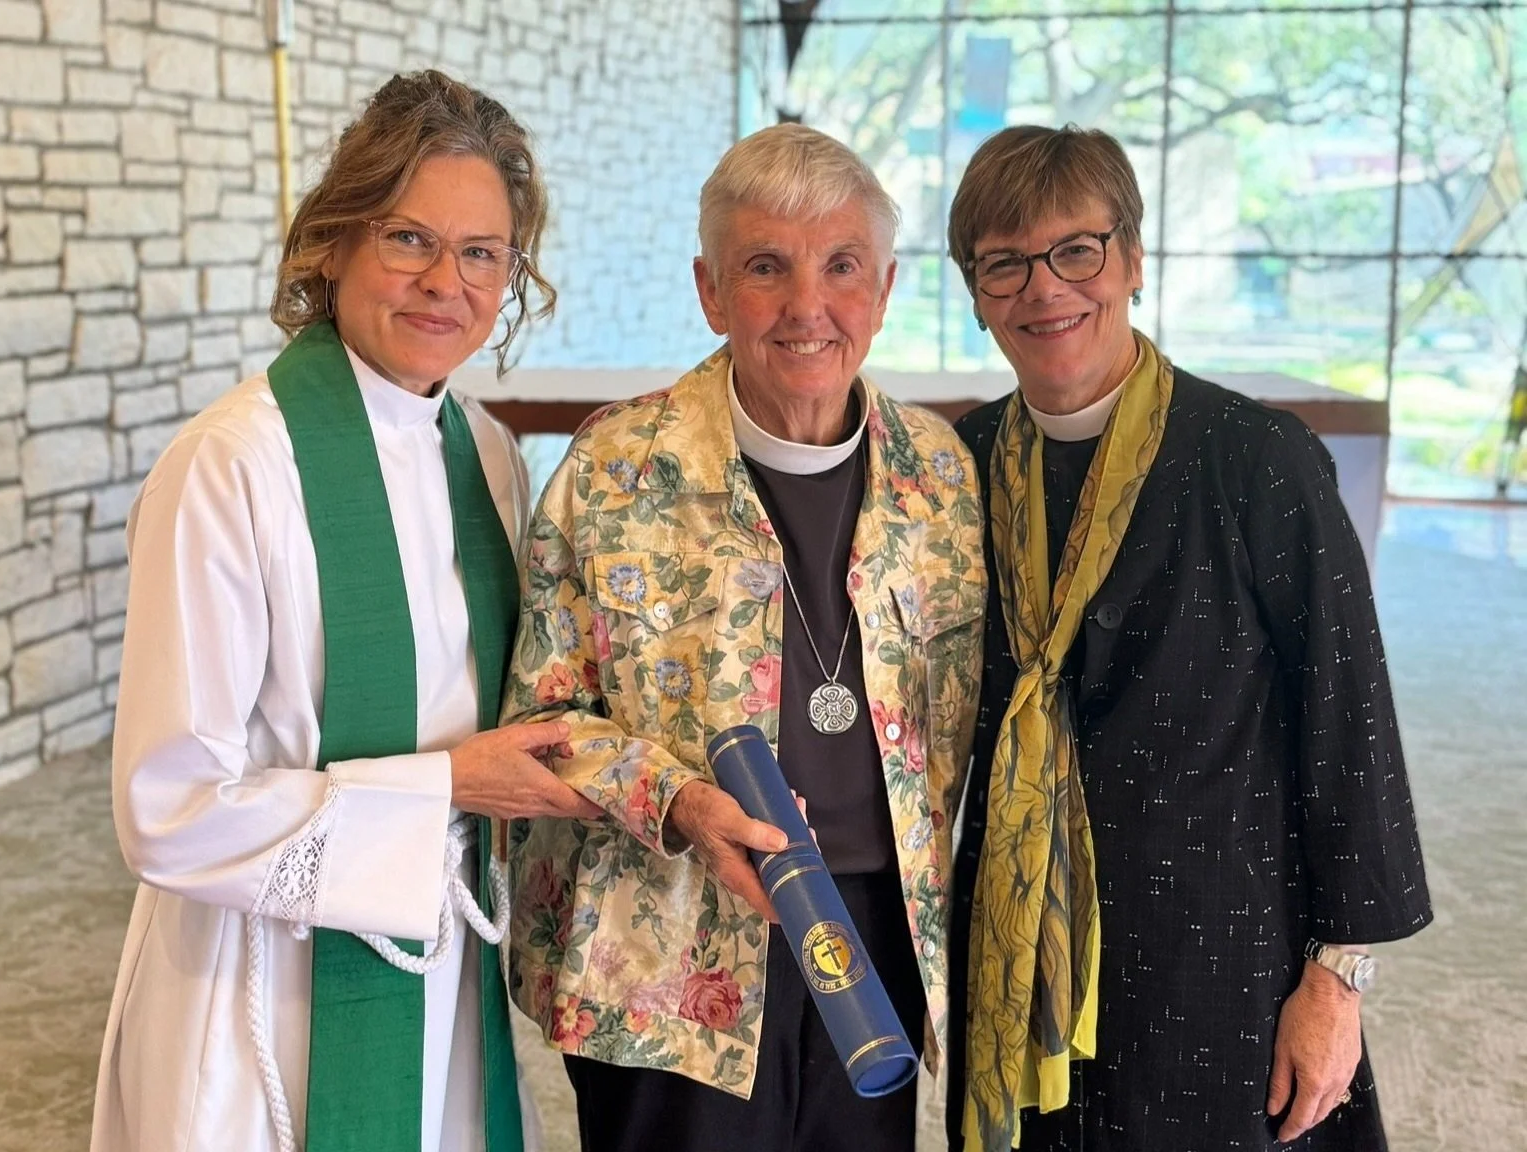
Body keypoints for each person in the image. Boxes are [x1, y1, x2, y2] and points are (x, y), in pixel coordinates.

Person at [90, 70, 598, 1152]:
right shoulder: (232, 467)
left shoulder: (490, 460)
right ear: (332, 242)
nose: (444, 283)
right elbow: (169, 809)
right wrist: (447, 787)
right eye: (408, 238)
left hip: (435, 950)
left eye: (481, 254)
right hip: (261, 989)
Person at [943, 124, 1433, 1152]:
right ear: (975, 289)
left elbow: (1352, 730)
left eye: (1077, 250)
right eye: (1004, 263)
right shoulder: (959, 466)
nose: (1045, 289)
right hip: (1019, 953)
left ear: (1130, 258)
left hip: (1219, 954)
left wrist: (1336, 983)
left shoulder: (1257, 460)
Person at [501, 123, 985, 1152]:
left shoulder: (941, 474)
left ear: (885, 288)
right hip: (667, 943)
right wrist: (674, 798)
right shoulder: (614, 466)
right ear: (711, 291)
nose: (809, 307)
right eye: (766, 267)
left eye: (841, 266)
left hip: (876, 940)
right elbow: (539, 724)